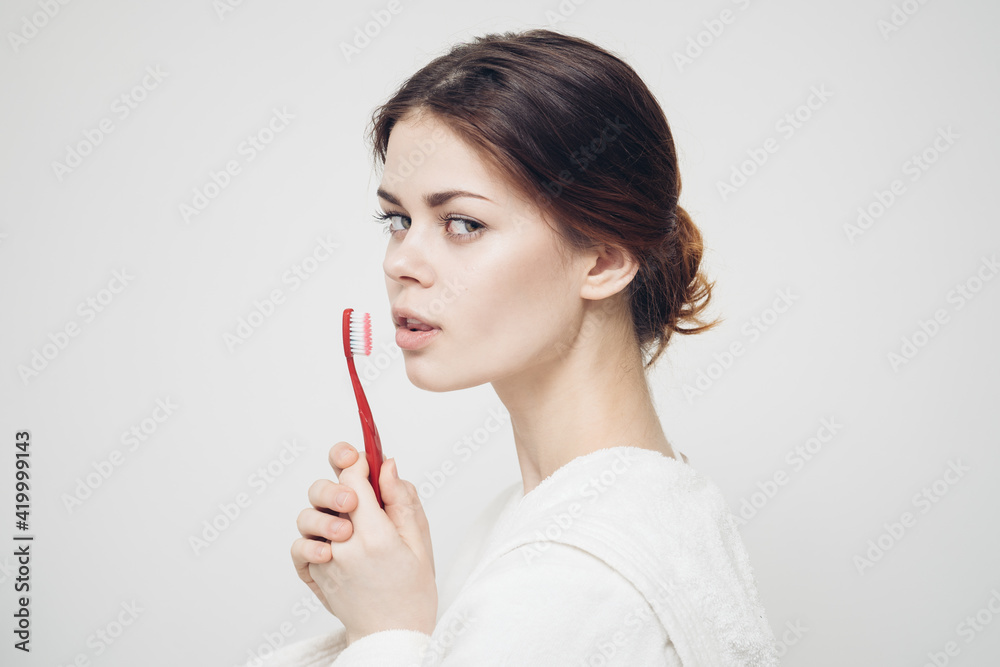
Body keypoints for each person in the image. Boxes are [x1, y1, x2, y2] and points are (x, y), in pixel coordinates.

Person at [257, 28, 779, 666]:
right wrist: (406, 610)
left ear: (604, 261)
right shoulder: (580, 514)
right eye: (398, 220)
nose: (402, 263)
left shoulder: (576, 577)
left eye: (463, 223)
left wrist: (385, 632)